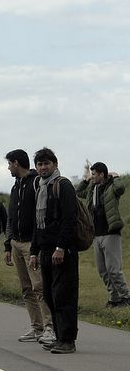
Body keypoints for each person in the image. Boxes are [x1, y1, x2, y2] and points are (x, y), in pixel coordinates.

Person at [29, 147, 79, 354]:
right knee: (49, 296)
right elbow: (37, 224)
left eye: (46, 163)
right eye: (39, 164)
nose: (43, 168)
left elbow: (69, 220)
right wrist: (34, 251)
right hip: (46, 250)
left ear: (55, 164)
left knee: (63, 296)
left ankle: (68, 340)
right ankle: (59, 336)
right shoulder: (40, 187)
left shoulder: (63, 185)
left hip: (62, 251)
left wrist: (61, 247)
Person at [4, 149, 55, 344]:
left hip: (32, 243)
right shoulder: (15, 186)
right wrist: (8, 245)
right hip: (16, 242)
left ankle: (50, 327)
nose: (8, 168)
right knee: (26, 288)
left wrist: (37, 244)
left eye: (9, 164)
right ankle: (37, 327)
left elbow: (40, 215)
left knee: (40, 286)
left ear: (16, 163)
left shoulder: (36, 183)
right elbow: (10, 217)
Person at [76, 161, 129, 308]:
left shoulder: (112, 186)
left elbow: (120, 188)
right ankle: (114, 298)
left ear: (101, 174)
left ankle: (126, 297)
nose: (92, 177)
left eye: (94, 174)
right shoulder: (93, 188)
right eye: (91, 174)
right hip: (96, 234)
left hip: (111, 232)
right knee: (102, 270)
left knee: (114, 269)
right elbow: (79, 193)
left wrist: (116, 177)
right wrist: (85, 180)